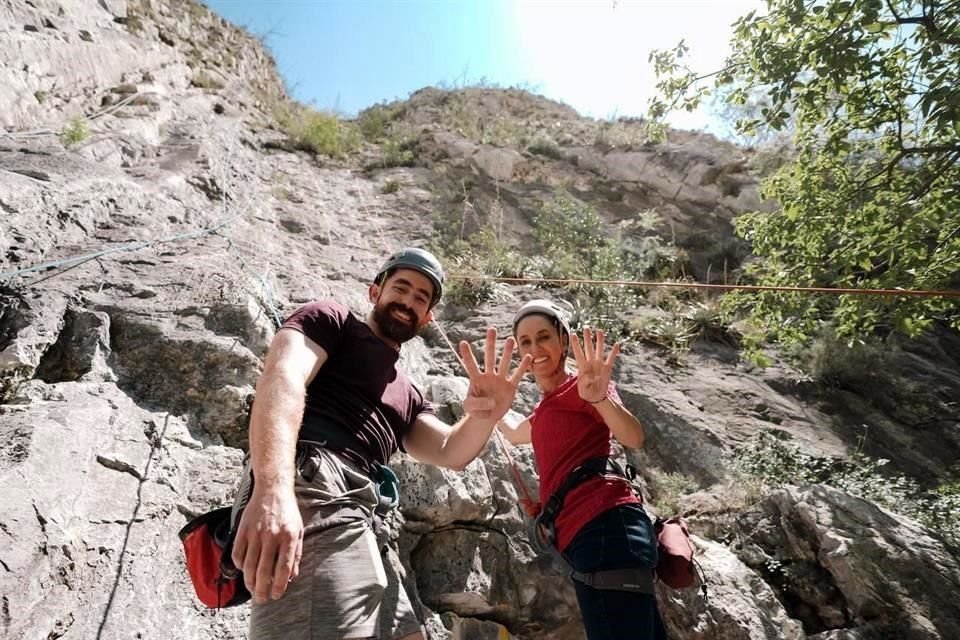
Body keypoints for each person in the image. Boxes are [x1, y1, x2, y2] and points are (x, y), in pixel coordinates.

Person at [230, 247, 531, 640]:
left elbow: (449, 451)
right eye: (400, 287)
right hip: (312, 483)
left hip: (364, 513)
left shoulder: (408, 393)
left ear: (428, 318)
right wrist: (272, 488)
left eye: (421, 298)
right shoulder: (331, 320)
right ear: (375, 292)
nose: (408, 300)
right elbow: (282, 378)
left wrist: (485, 416)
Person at [497, 299, 668, 640]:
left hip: (606, 527)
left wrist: (600, 399)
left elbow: (632, 437)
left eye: (543, 336)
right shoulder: (546, 407)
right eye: (525, 342)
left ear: (563, 340)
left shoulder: (584, 387)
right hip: (593, 537)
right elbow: (516, 434)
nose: (535, 348)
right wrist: (487, 407)